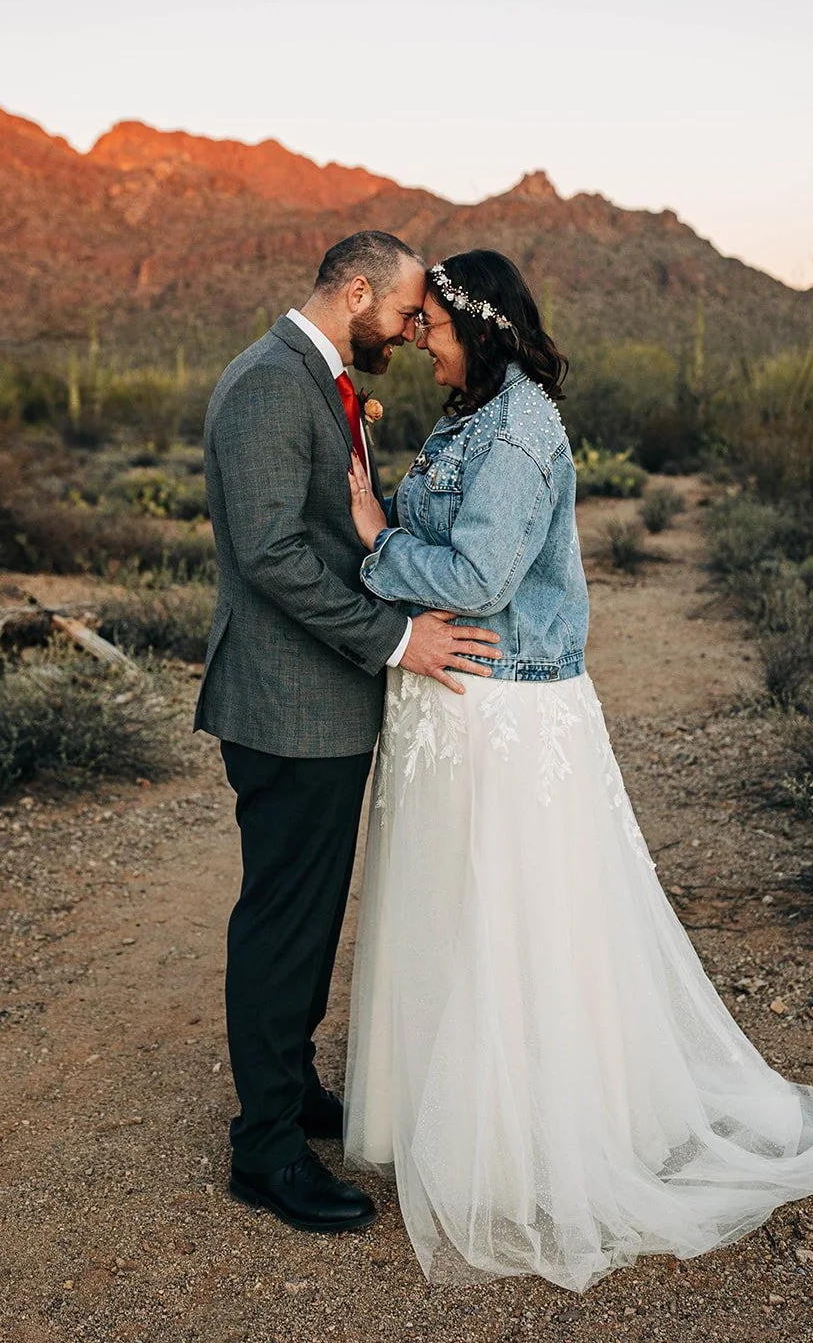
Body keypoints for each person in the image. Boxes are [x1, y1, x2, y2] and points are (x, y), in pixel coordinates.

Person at [343, 249, 813, 1292]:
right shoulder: (463, 415)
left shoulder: (521, 429)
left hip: (505, 709)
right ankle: (447, 1111)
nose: (417, 340)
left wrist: (370, 535)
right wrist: (395, 528)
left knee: (515, 921)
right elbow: (444, 539)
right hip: (454, 709)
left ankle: (525, 1132)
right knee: (452, 912)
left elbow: (484, 577)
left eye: (432, 328)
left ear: (480, 329)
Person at [195, 231, 501, 1236]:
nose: (413, 330)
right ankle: (265, 1146)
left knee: (311, 912)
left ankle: (292, 1089)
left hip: (322, 702)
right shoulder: (268, 386)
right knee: (284, 918)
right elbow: (274, 553)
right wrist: (396, 638)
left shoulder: (319, 381)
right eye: (407, 311)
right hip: (285, 707)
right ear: (356, 291)